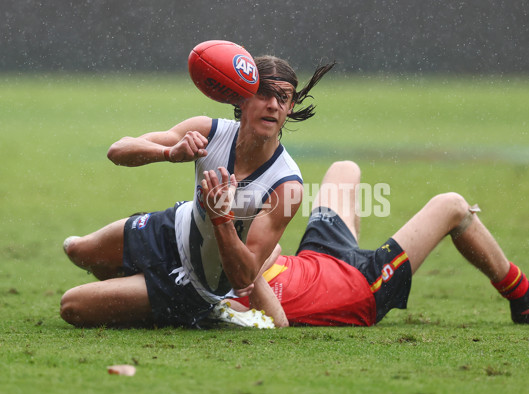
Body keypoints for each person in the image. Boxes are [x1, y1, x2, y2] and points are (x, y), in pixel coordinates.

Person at [60, 56, 335, 328]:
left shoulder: (287, 185)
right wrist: (168, 153)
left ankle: (199, 308)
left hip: (197, 284)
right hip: (171, 228)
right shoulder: (209, 131)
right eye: (264, 94)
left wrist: (221, 217)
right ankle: (139, 288)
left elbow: (243, 277)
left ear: (290, 107)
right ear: (242, 97)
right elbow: (118, 151)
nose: (274, 105)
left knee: (72, 307)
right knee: (76, 250)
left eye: (283, 98)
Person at [226, 160, 529, 327]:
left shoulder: (214, 263)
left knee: (344, 170)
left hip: (319, 259)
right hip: (362, 287)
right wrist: (247, 264)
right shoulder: (226, 301)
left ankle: (369, 253)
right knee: (451, 206)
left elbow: (268, 250)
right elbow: (277, 320)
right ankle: (523, 296)